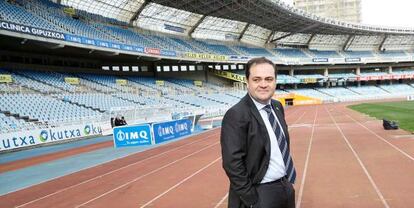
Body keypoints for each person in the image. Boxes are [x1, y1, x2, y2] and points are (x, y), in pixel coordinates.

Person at [221, 57, 296, 208]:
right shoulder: (236, 114)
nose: (263, 84)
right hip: (260, 194)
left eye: (269, 79)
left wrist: (287, 184)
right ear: (247, 81)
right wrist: (252, 200)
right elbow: (232, 163)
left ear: (275, 81)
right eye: (257, 79)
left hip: (285, 187)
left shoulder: (276, 106)